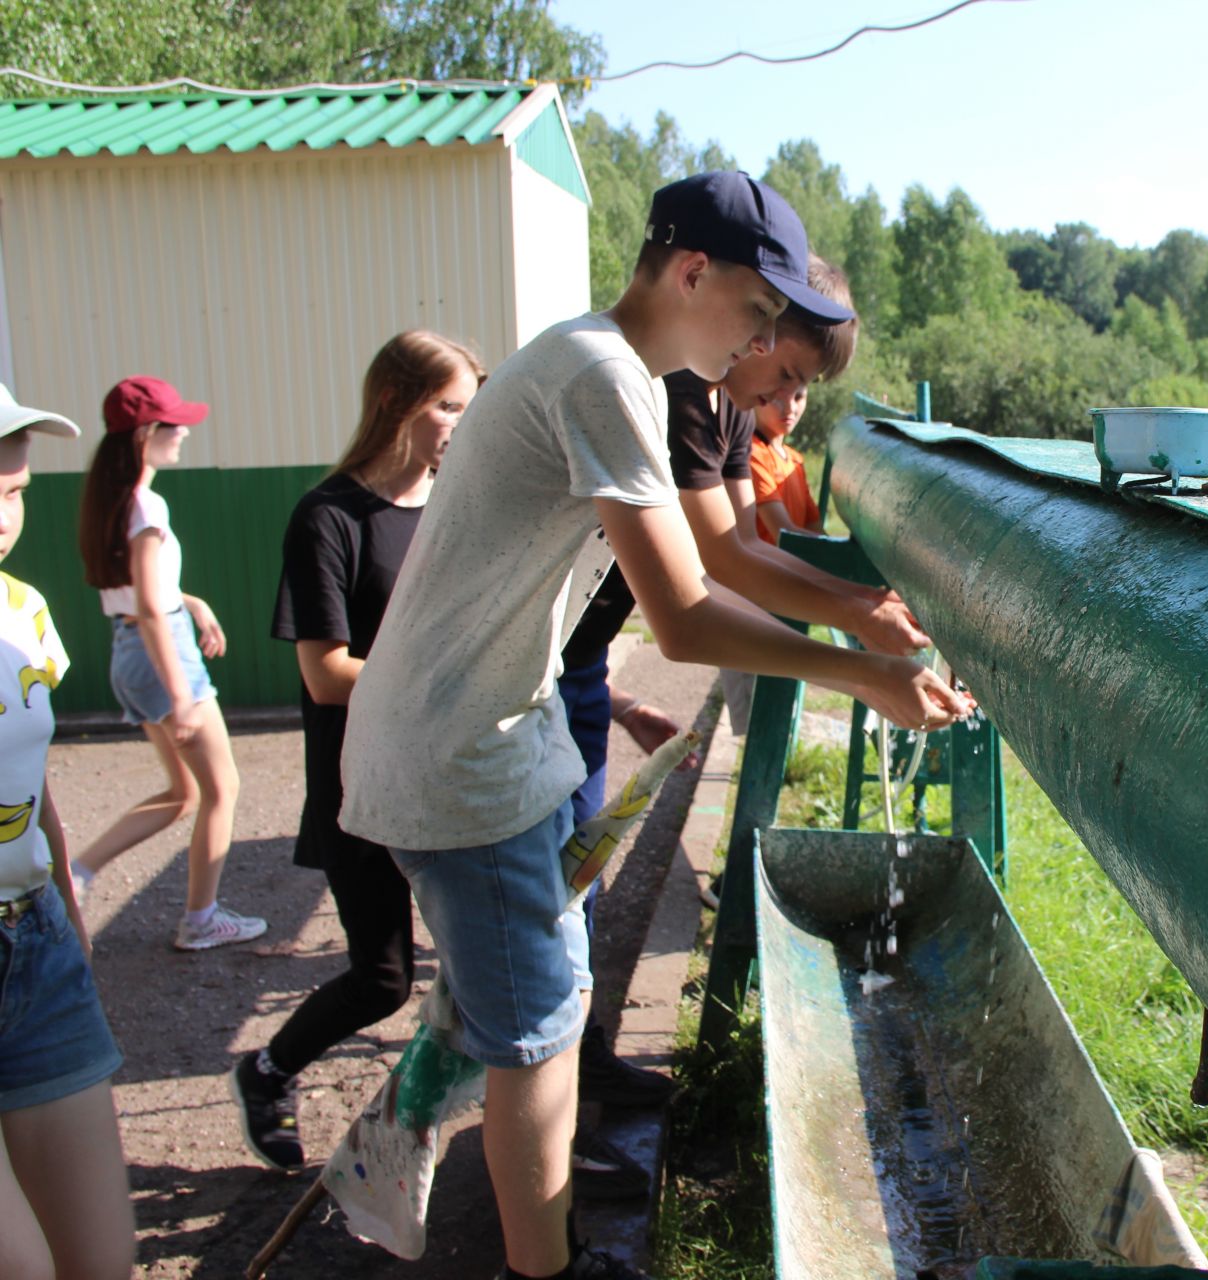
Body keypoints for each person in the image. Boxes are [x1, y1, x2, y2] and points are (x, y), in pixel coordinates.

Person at [337, 171, 973, 1280]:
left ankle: (490, 1206)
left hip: (501, 732)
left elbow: (701, 574)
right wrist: (862, 674)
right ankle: (547, 1267)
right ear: (691, 273)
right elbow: (681, 613)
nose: (759, 348)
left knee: (545, 994)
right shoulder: (606, 376)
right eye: (759, 317)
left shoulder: (607, 362)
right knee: (534, 1035)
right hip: (458, 756)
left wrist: (853, 642)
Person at [229, 331, 482, 1172]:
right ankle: (266, 1072)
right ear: (394, 403)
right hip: (360, 786)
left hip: (446, 777)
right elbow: (327, 674)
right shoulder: (327, 517)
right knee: (381, 981)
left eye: (467, 410)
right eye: (448, 405)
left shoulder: (453, 506)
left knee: (484, 964)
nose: (460, 425)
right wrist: (448, 678)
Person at [663, 255, 929, 737]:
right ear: (759, 326)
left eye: (802, 386)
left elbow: (747, 543)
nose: (784, 398)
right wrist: (862, 618)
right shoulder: (689, 393)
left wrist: (869, 601)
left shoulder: (738, 407)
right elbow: (724, 560)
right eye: (787, 373)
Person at [0, 384, 136, 1280]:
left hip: (32, 941)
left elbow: (29, 769)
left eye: (11, 490)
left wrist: (63, 898)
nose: (2, 514)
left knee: (102, 1262)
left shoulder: (24, 612)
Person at [74, 377, 265, 951]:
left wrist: (195, 603)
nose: (184, 432)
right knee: (221, 789)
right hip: (161, 655)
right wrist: (182, 694)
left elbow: (144, 591)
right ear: (145, 434)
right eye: (174, 424)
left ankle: (77, 874)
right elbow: (154, 611)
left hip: (129, 653)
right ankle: (201, 919)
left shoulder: (112, 499)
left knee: (184, 793)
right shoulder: (146, 505)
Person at [749, 379, 822, 543]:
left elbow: (814, 527)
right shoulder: (752, 454)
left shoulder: (796, 460)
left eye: (798, 397)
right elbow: (785, 535)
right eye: (778, 398)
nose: (790, 409)